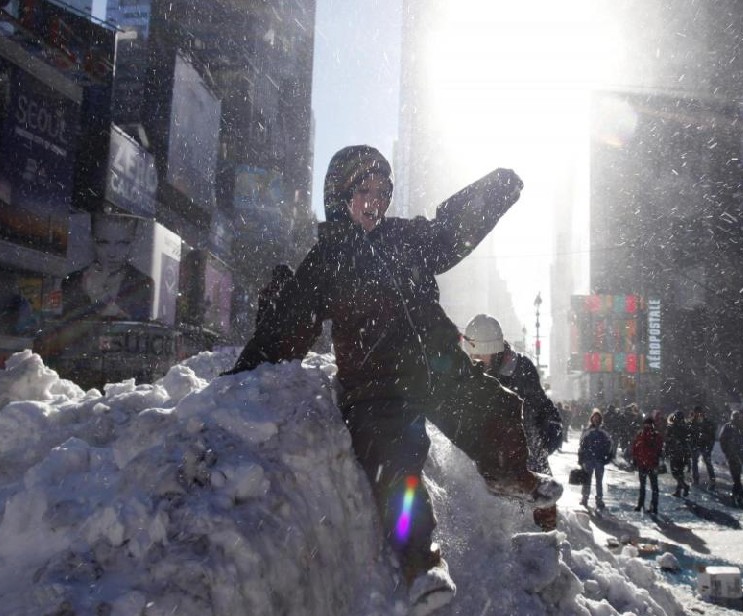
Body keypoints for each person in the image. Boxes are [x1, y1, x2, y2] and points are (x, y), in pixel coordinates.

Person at [226, 145, 561, 613]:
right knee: (395, 463)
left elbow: (448, 231)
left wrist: (493, 191)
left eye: (382, 190)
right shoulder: (328, 259)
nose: (375, 200)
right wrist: (242, 373)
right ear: (339, 196)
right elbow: (288, 326)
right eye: (363, 190)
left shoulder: (404, 239)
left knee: (496, 406)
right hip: (376, 390)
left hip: (438, 369)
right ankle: (419, 562)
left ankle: (508, 474)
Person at [462, 314, 563, 474]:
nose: (475, 360)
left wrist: (533, 460)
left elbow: (531, 422)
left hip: (526, 464)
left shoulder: (521, 370)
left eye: (480, 354)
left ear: (494, 350)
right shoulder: (471, 372)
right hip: (488, 465)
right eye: (472, 355)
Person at [62, 213, 154, 322]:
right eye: (103, 242)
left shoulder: (143, 285)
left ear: (133, 241)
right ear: (92, 239)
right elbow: (65, 334)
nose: (112, 253)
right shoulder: (72, 282)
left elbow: (139, 332)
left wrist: (100, 299)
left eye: (123, 243)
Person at [578, 408, 614, 510]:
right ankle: (585, 498)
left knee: (598, 481)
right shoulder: (587, 430)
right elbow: (581, 445)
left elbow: (610, 445)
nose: (596, 419)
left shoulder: (603, 431)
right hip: (589, 459)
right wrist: (581, 458)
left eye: (598, 418)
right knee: (587, 480)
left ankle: (599, 499)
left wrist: (607, 457)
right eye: (595, 417)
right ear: (592, 418)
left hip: (599, 460)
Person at [631, 415, 664, 514]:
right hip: (650, 464)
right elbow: (659, 449)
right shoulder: (655, 435)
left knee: (644, 486)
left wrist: (635, 458)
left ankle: (642, 505)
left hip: (645, 463)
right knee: (653, 486)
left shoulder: (641, 434)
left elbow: (635, 447)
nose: (647, 426)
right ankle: (653, 506)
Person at [718, 411, 743, 507]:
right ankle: (739, 494)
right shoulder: (733, 427)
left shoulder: (732, 427)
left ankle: (737, 494)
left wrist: (727, 451)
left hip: (736, 454)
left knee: (736, 475)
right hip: (736, 454)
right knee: (737, 475)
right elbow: (722, 440)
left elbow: (722, 440)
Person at [689, 405, 717, 491]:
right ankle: (696, 479)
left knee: (705, 463)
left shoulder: (705, 422)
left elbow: (712, 435)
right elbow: (690, 434)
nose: (698, 414)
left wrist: (709, 444)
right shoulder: (693, 422)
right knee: (696, 462)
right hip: (698, 445)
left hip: (703, 445)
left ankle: (711, 481)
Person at [665, 410, 691, 498]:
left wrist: (667, 451)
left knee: (675, 473)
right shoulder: (685, 427)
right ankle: (679, 491)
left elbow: (668, 441)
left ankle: (684, 486)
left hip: (676, 453)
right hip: (683, 453)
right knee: (680, 473)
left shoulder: (672, 427)